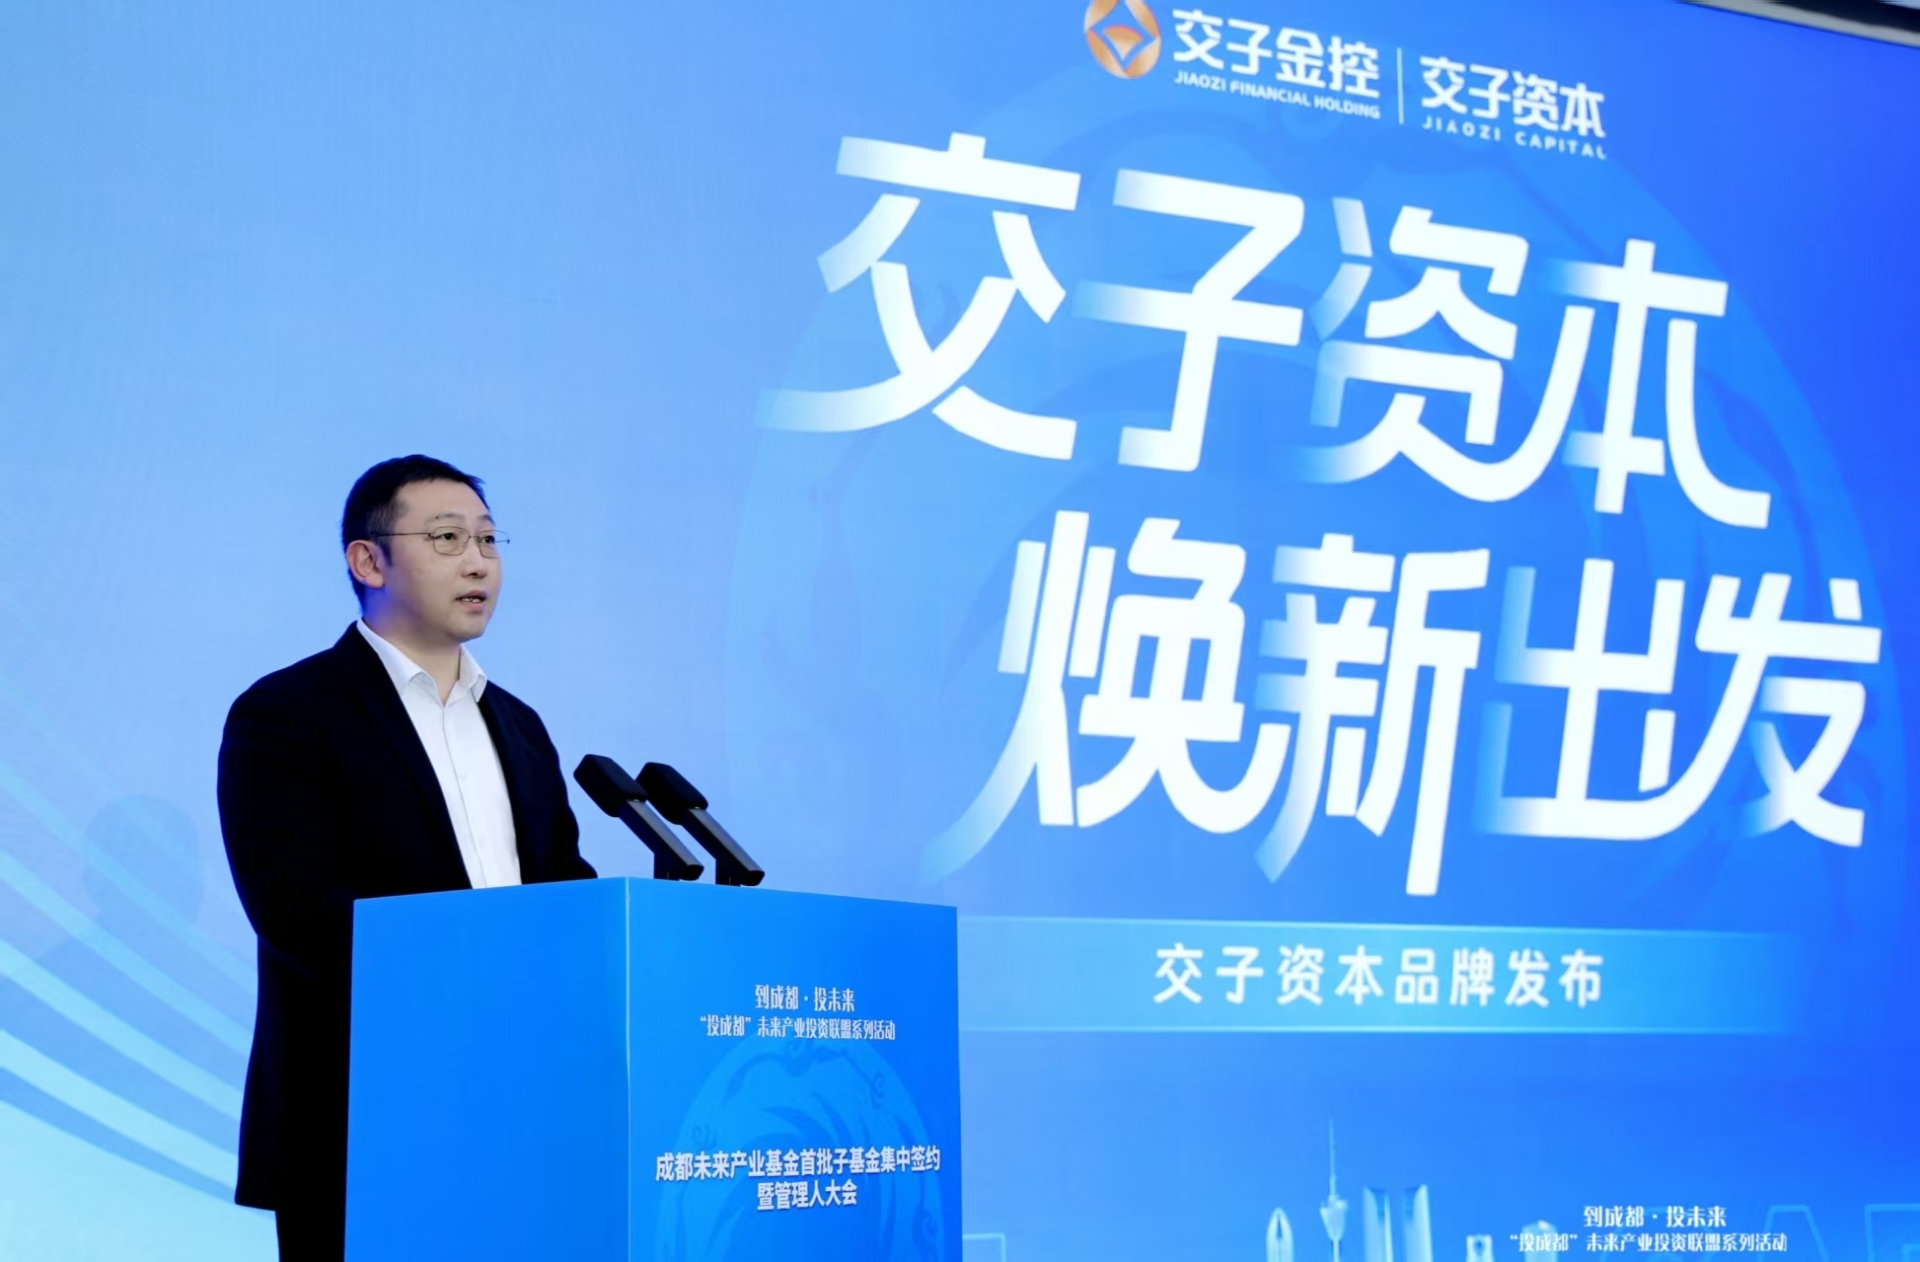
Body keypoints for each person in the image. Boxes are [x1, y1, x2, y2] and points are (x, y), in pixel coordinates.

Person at [218, 455, 596, 1260]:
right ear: (368, 560)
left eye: (489, 540)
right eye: (448, 538)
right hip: (364, 1118)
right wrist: (474, 987)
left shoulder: (521, 726)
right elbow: (294, 911)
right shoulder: (288, 712)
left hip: (520, 1116)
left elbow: (564, 895)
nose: (478, 563)